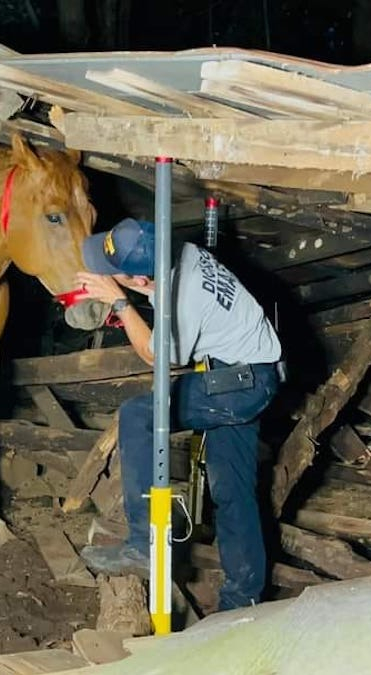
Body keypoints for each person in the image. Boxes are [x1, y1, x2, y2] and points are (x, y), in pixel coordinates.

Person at [74, 217, 282, 610]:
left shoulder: (181, 296)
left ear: (137, 278)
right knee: (233, 491)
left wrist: (119, 303)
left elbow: (158, 356)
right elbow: (159, 292)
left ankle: (143, 545)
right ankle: (243, 601)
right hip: (253, 372)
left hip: (240, 384)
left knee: (139, 415)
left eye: (113, 272)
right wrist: (133, 294)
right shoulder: (181, 251)